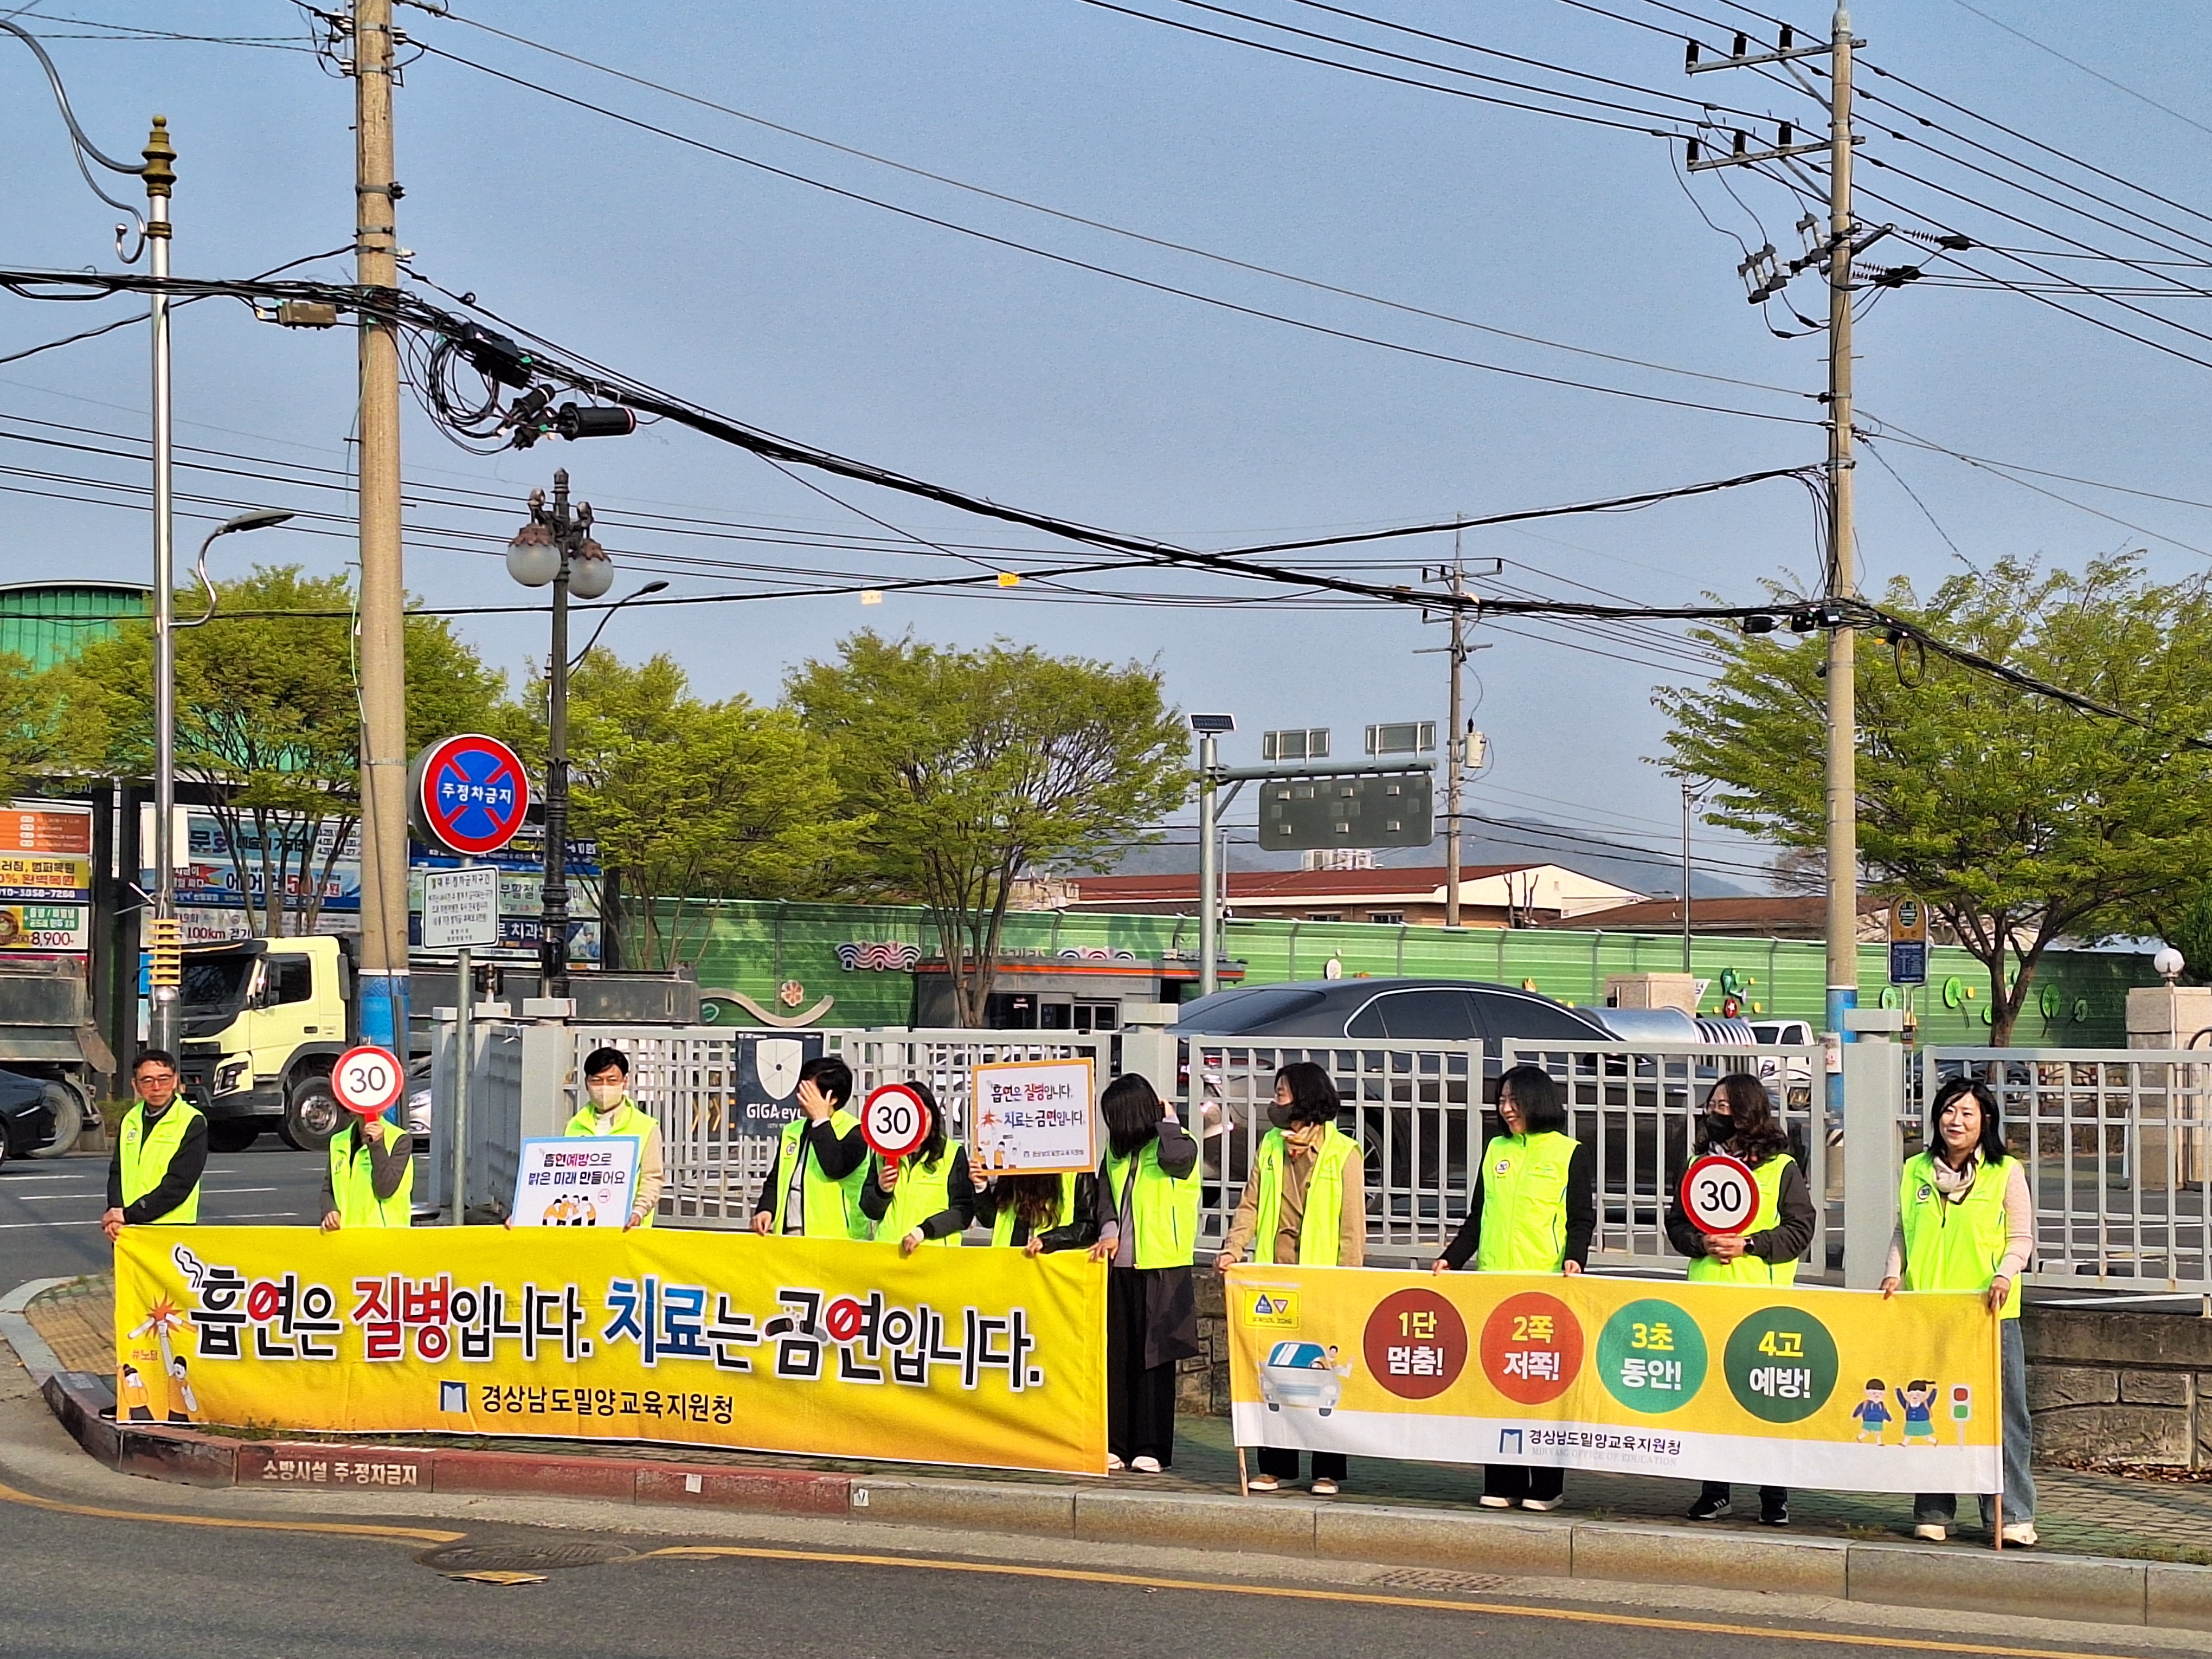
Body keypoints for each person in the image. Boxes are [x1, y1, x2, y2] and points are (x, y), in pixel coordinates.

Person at [1883, 1076, 2036, 1547]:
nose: (1957, 1121)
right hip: (1929, 1310)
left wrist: (2003, 1275)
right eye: (1949, 1111)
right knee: (1928, 1411)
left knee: (2003, 1415)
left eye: (1967, 1113)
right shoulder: (1916, 1170)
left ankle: (2011, 1514)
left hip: (1988, 1313)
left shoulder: (2005, 1171)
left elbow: (2021, 1239)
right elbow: (1903, 1231)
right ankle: (1933, 1510)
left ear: (1985, 1120)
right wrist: (1893, 1273)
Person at [1433, 1063, 1593, 1512]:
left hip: (1545, 1286)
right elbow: (1478, 1216)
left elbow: (1581, 1218)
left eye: (1514, 1101)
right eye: (1502, 1100)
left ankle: (1546, 1485)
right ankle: (1501, 1480)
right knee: (1498, 1387)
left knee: (1541, 1388)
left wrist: (1575, 1258)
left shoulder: (1569, 1153)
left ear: (1537, 1102)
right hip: (1496, 1285)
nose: (1506, 1109)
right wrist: (1452, 1258)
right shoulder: (1495, 1150)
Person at [1665, 1073, 1815, 1527]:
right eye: (1713, 1105)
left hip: (1763, 1300)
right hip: (1709, 1296)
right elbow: (1677, 1224)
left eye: (1726, 1106)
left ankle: (1774, 1494)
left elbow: (1799, 1230)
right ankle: (1715, 1492)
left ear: (1750, 1111)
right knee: (1713, 1400)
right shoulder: (1698, 1163)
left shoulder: (1780, 1167)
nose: (1716, 1113)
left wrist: (1750, 1244)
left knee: (1766, 1400)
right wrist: (1702, 1243)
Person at [1218, 1062, 1365, 1496]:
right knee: (1275, 1374)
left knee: (1323, 1375)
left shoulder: (1343, 1152)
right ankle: (1275, 1466)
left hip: (1322, 1282)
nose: (1274, 1101)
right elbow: (1250, 1205)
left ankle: (1327, 1470)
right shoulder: (1271, 1146)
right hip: (1275, 1277)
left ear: (1304, 1098)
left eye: (1281, 1093)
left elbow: (1352, 1227)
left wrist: (1349, 1280)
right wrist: (1233, 1248)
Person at [1088, 1072, 1199, 1474]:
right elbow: (1105, 1198)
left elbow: (1178, 1161)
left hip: (1162, 1264)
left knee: (1154, 1360)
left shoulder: (1178, 1142)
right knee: (1118, 1356)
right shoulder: (1116, 1152)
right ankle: (1116, 1443)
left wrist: (1168, 1121)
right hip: (1119, 1266)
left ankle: (1152, 1447)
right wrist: (1109, 1231)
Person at [751, 1056, 870, 1239]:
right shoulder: (793, 1131)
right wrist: (766, 1210)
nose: (801, 1098)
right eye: (801, 1090)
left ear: (832, 1098)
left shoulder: (855, 1132)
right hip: (789, 1232)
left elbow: (835, 1167)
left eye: (809, 1093)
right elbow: (777, 1178)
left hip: (836, 1238)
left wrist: (821, 1120)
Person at [858, 1080, 975, 1253]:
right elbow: (870, 1211)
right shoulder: (884, 1153)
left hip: (932, 1255)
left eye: (925, 1116)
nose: (920, 1125)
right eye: (913, 1117)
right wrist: (882, 1191)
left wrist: (924, 1231)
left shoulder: (951, 1153)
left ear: (934, 1116)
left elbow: (963, 1211)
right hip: (889, 1252)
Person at [104, 1049, 206, 1240]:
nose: (156, 1087)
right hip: (129, 1226)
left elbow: (180, 1183)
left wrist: (129, 1214)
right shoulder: (131, 1119)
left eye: (164, 1079)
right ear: (135, 1085)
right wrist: (115, 1211)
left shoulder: (192, 1120)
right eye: (147, 1081)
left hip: (172, 1226)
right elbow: (117, 1171)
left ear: (175, 1080)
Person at [565, 1047, 665, 1230]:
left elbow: (652, 1178)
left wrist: (639, 1211)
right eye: (597, 1081)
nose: (604, 1087)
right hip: (583, 1224)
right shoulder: (575, 1124)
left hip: (627, 1227)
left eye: (612, 1081)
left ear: (625, 1082)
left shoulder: (645, 1126)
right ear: (587, 1083)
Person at [320, 1094, 413, 1230]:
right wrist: (330, 1211)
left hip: (385, 1235)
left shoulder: (399, 1140)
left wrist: (378, 1145)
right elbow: (328, 1188)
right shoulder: (339, 1141)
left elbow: (385, 1189)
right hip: (347, 1234)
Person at [974, 1164, 1099, 1254]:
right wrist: (981, 1186)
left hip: (1052, 1270)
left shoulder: (1078, 1168)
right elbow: (991, 1219)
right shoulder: (1011, 1166)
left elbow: (1088, 1228)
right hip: (1008, 1266)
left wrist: (1048, 1241)